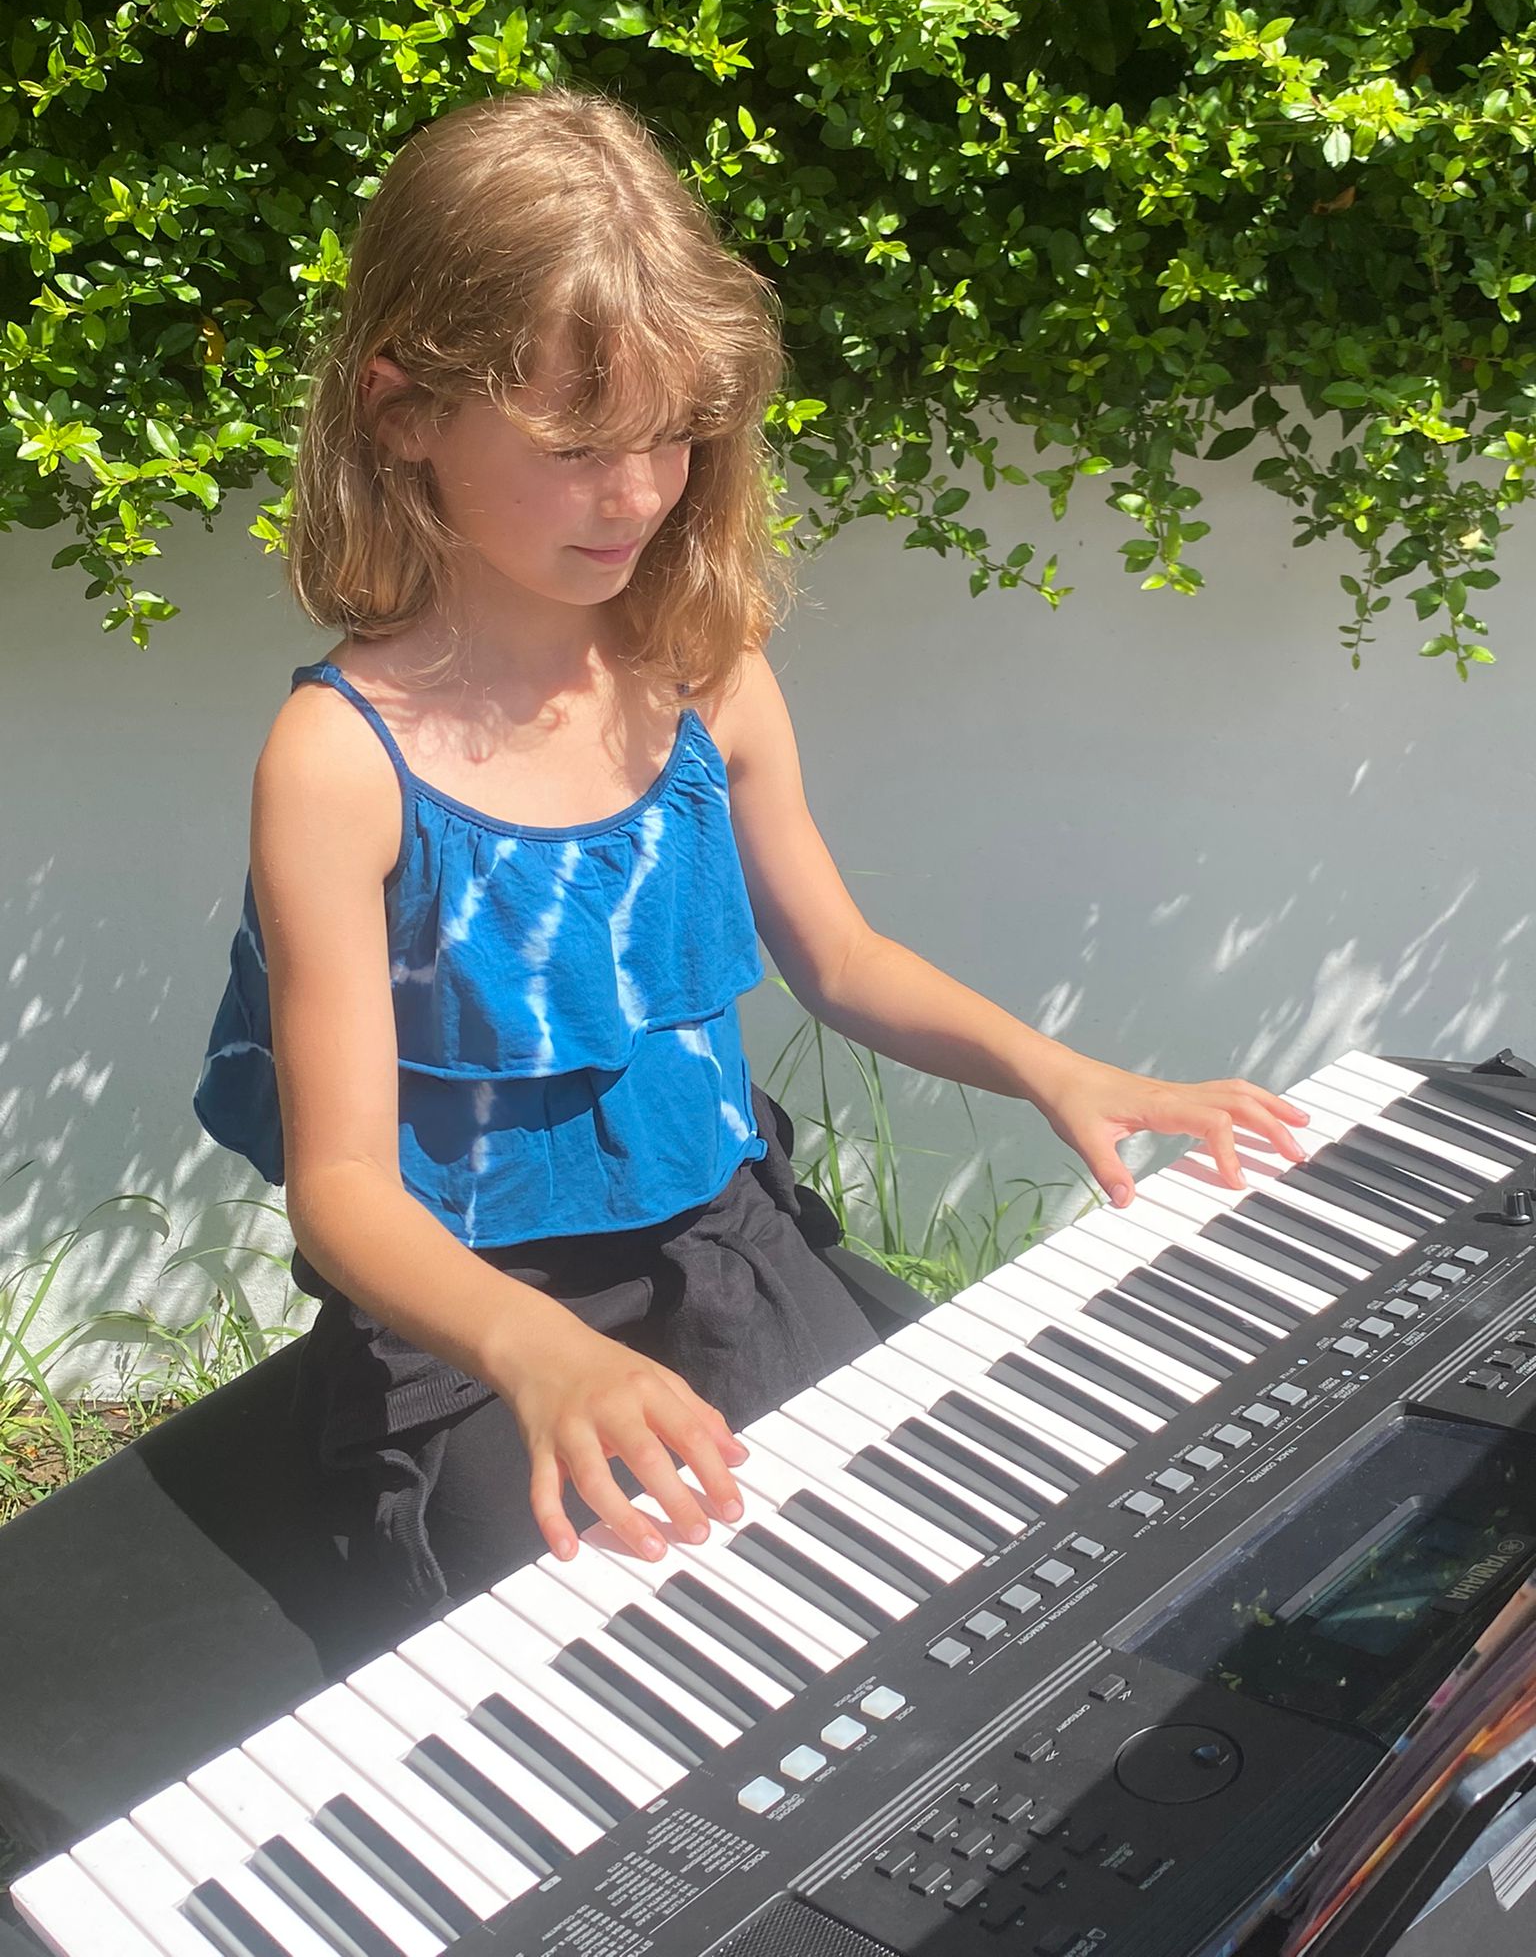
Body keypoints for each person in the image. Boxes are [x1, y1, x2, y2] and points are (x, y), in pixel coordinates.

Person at [193, 83, 1309, 1626]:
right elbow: (342, 1190)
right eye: (581, 444)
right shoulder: (337, 761)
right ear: (403, 411)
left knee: (957, 1572)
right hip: (475, 1331)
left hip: (727, 1244)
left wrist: (1063, 1070)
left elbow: (841, 960)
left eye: (671, 440)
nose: (641, 496)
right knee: (627, 1654)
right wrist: (541, 1352)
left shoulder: (702, 670)